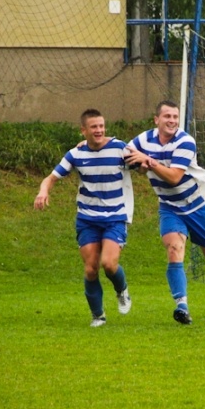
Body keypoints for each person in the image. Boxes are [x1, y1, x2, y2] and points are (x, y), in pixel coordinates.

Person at [124, 100, 205, 325]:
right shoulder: (142, 140)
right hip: (170, 206)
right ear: (156, 119)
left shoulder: (185, 141)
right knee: (174, 248)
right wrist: (89, 144)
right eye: (167, 116)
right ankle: (182, 307)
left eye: (175, 117)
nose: (172, 121)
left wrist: (147, 161)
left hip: (197, 205)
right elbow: (123, 154)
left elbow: (174, 177)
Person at [34, 109, 133, 327]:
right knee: (90, 268)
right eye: (94, 127)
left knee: (109, 264)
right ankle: (98, 316)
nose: (99, 130)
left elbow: (142, 161)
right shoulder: (76, 154)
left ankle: (122, 290)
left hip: (115, 217)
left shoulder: (120, 148)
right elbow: (51, 177)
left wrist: (147, 162)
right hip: (87, 219)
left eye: (101, 126)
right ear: (83, 130)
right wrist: (43, 191)